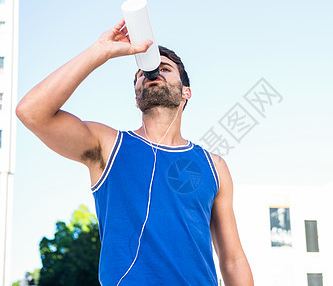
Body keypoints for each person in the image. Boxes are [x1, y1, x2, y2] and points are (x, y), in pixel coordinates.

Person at [16, 19, 254, 286]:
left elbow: (233, 259)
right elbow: (31, 112)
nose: (153, 74)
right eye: (143, 73)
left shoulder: (214, 166)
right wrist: (100, 51)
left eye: (165, 68)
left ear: (186, 92)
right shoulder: (108, 146)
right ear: (136, 95)